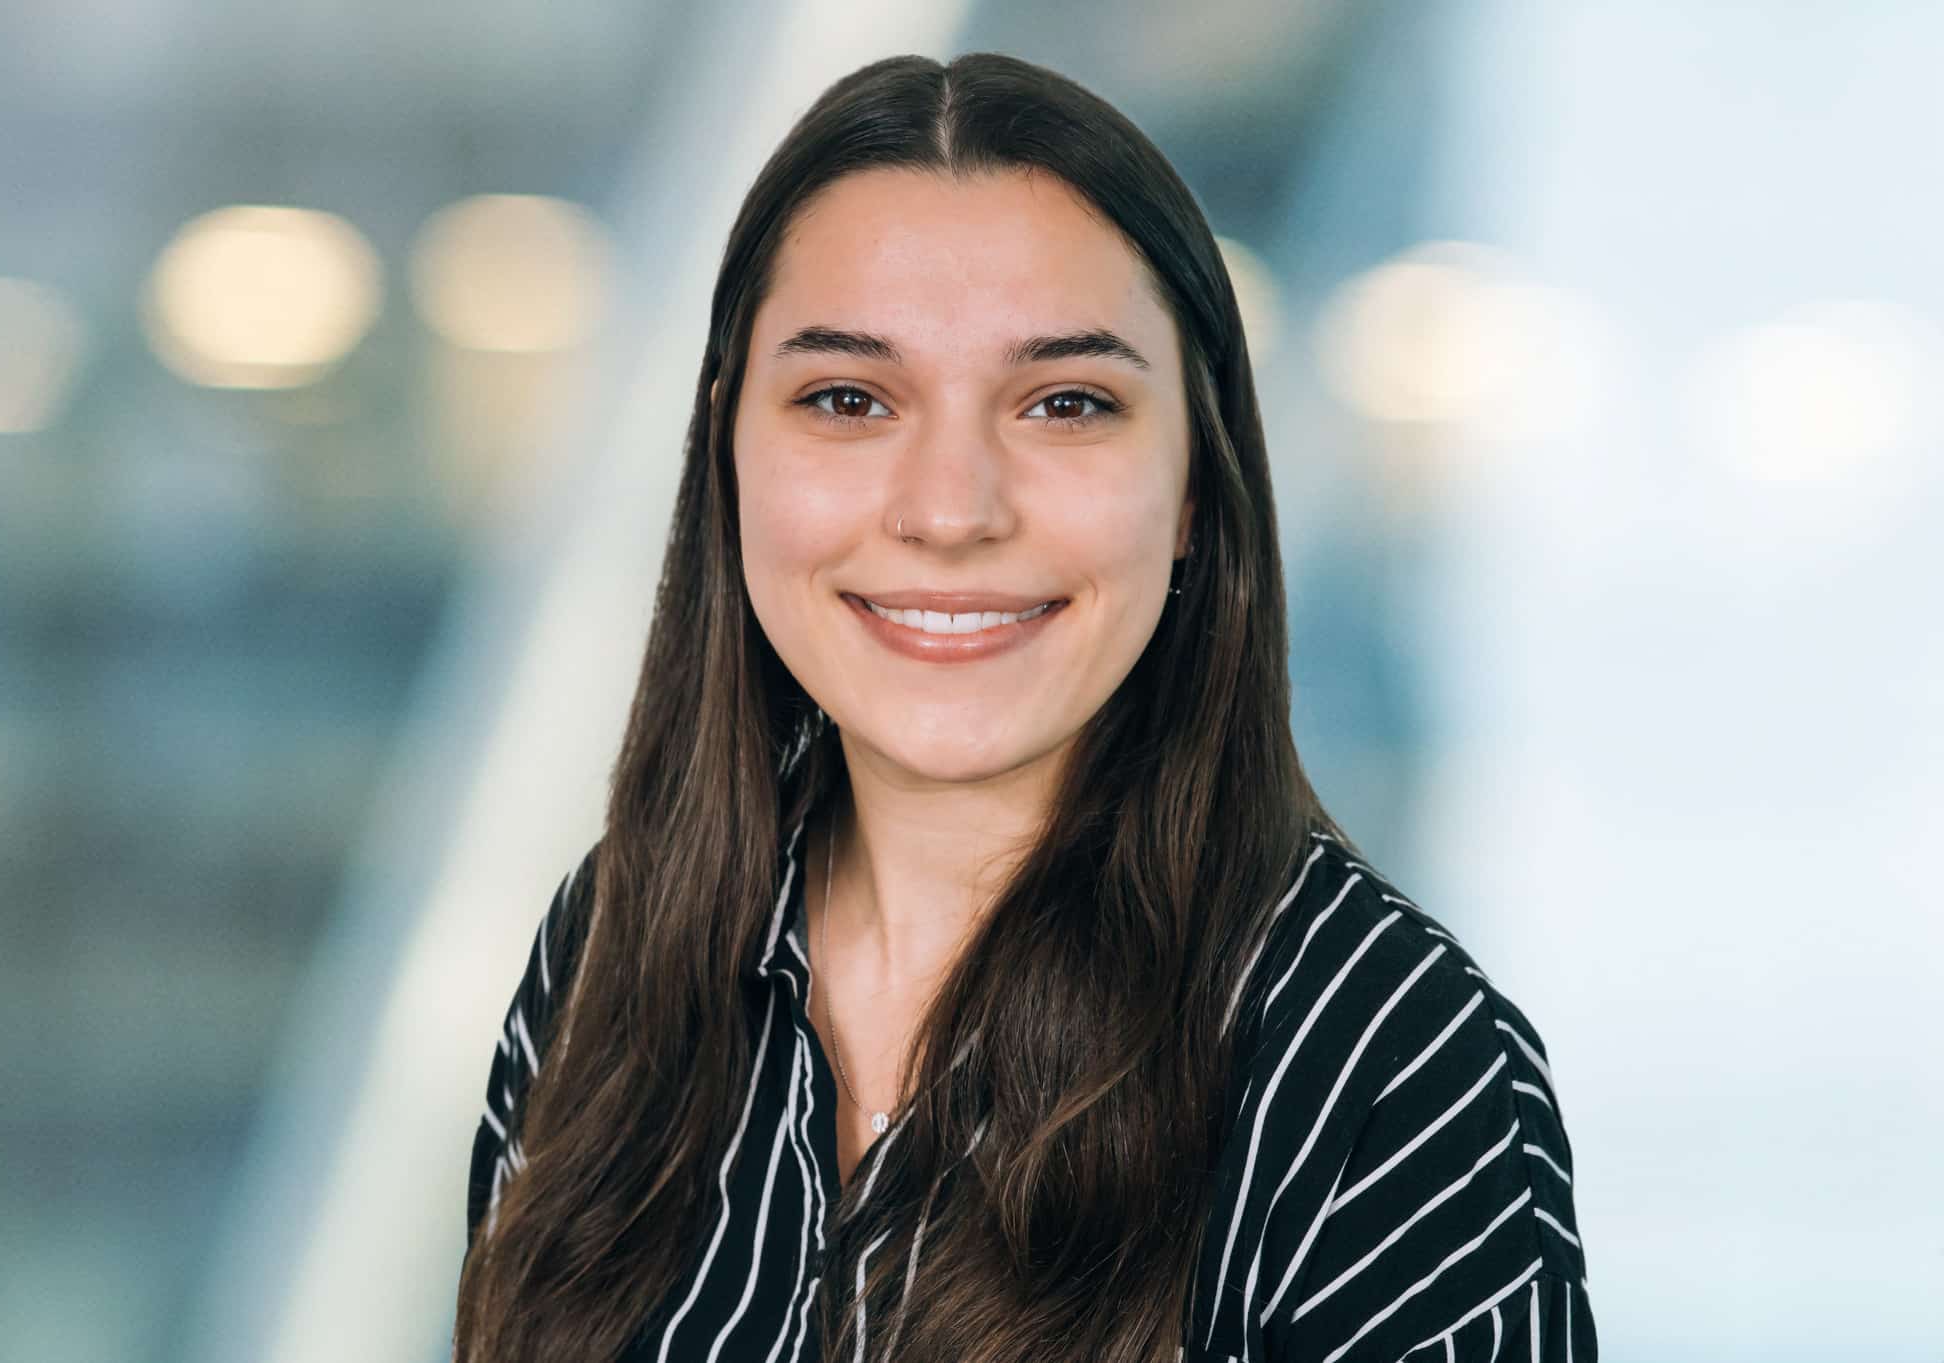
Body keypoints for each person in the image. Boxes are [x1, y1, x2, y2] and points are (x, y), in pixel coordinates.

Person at [452, 50, 1597, 1363]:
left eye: (1065, 403)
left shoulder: (1389, 1059)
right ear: (727, 452)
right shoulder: (611, 947)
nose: (951, 509)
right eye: (847, 399)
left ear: (1195, 483)